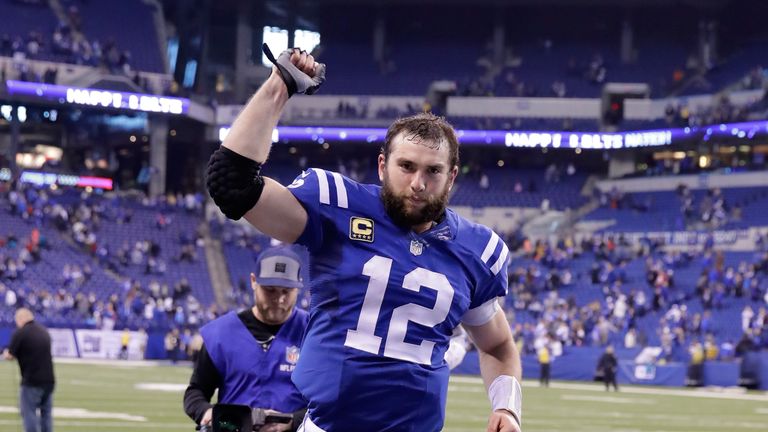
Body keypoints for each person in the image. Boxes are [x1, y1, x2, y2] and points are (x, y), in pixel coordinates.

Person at [205, 45, 522, 432]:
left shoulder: (476, 250)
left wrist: (507, 408)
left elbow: (496, 345)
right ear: (382, 165)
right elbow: (231, 186)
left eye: (433, 172)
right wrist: (279, 87)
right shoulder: (339, 206)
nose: (418, 184)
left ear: (452, 176)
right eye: (406, 166)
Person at [184, 246, 309, 432]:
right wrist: (205, 412)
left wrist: (293, 421)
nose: (279, 299)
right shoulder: (221, 333)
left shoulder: (313, 332)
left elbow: (329, 399)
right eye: (270, 290)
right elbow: (196, 391)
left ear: (299, 286)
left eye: (287, 291)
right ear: (253, 281)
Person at [2, 308, 55, 432]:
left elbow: (10, 354)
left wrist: (5, 354)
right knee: (46, 414)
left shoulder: (21, 333)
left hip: (32, 380)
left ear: (20, 319)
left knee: (29, 413)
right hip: (49, 380)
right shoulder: (44, 331)